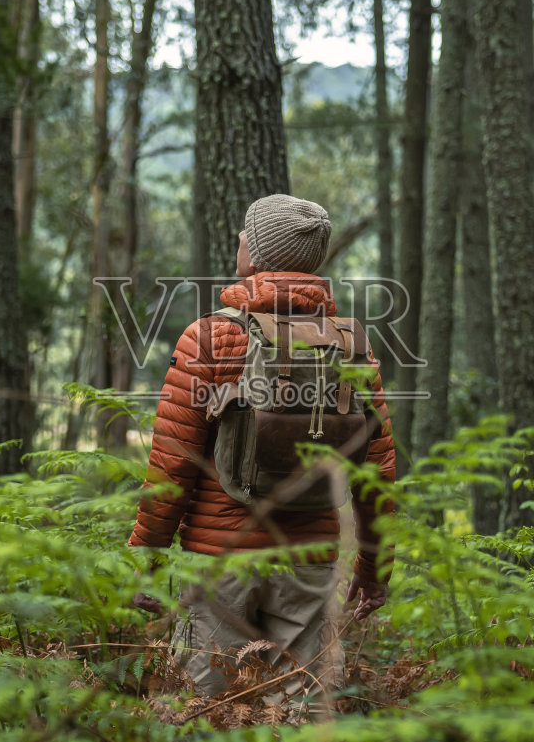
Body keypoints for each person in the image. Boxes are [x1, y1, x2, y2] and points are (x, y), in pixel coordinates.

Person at [128, 194, 397, 703]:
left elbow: (172, 463)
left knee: (204, 707)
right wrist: (373, 569)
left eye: (246, 234)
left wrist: (147, 556)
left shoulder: (208, 338)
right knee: (299, 705)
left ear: (256, 252)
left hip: (219, 557)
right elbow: (376, 470)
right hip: (310, 561)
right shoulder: (352, 346)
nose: (239, 241)